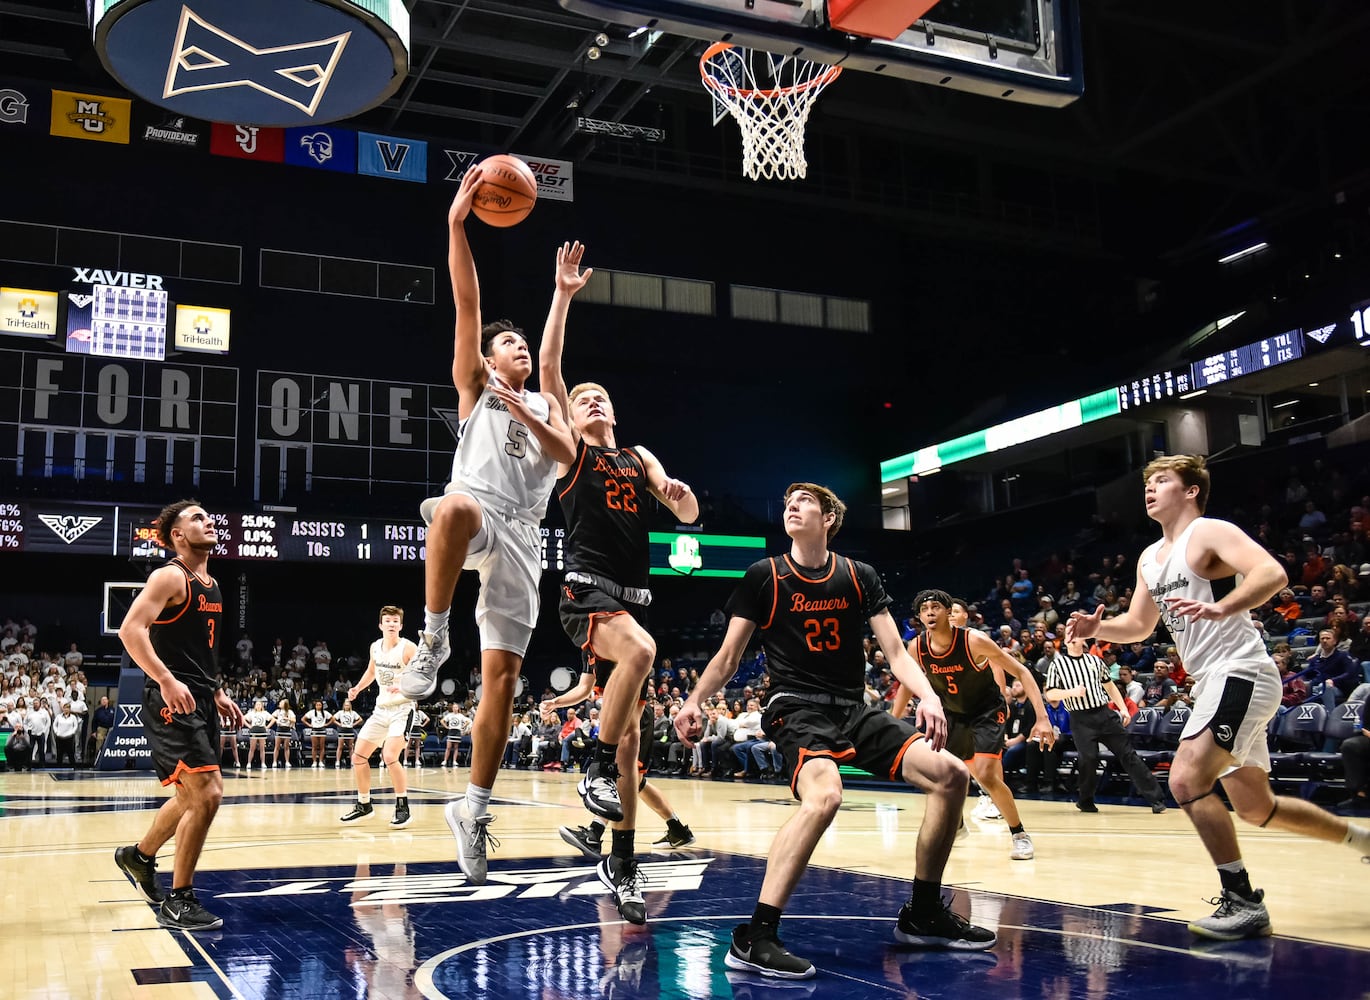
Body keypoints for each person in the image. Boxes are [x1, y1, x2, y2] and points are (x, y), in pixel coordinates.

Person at [676, 484, 994, 980]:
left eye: (802, 501)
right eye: (785, 503)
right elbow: (728, 657)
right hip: (794, 708)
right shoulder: (765, 576)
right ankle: (754, 935)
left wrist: (929, 697)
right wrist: (693, 701)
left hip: (852, 707)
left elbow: (896, 652)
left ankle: (924, 913)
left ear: (829, 518)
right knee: (824, 795)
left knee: (951, 774)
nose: (790, 507)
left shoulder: (857, 575)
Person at [1065, 454, 1370, 941]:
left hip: (1241, 672)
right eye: (1147, 482)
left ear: (1190, 491)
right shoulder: (1149, 557)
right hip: (1214, 681)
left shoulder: (1208, 531)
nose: (1149, 488)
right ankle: (1362, 837)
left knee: (1185, 779)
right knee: (1256, 808)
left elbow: (1271, 574)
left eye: (1161, 480)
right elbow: (1140, 625)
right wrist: (1097, 626)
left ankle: (1244, 902)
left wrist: (1222, 606)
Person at [412, 171, 577, 882]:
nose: (507, 351)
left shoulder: (545, 405)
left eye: (515, 347)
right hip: (478, 508)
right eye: (501, 346)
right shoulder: (476, 387)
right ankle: (434, 633)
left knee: (503, 682)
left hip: (524, 536)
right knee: (450, 505)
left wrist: (527, 407)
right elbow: (467, 304)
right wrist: (457, 227)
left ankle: (473, 810)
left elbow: (567, 456)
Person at [527, 233, 697, 917]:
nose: (592, 400)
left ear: (615, 413)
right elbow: (548, 365)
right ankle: (589, 763)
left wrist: (682, 500)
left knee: (631, 743)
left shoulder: (635, 455)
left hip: (632, 596)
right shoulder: (572, 454)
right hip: (585, 588)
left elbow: (678, 504)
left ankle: (621, 860)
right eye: (583, 396)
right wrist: (563, 297)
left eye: (601, 397)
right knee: (642, 655)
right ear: (570, 414)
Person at [114, 499, 245, 930]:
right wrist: (167, 680)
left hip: (202, 699)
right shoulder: (170, 575)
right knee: (207, 793)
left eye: (209, 516)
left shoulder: (213, 583)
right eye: (197, 519)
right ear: (177, 535)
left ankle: (138, 856)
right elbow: (130, 630)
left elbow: (200, 650)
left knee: (190, 795)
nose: (208, 522)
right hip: (171, 700)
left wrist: (219, 691)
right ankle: (180, 898)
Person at [892, 591, 1055, 860]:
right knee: (947, 774)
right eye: (924, 609)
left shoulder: (974, 641)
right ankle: (956, 825)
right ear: (919, 617)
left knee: (987, 774)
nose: (930, 612)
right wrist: (893, 719)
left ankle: (1019, 835)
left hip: (986, 711)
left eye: (936, 607)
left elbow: (1023, 672)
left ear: (948, 612)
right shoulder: (916, 648)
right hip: (952, 714)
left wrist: (1042, 717)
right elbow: (907, 685)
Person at [1043, 636, 1167, 813]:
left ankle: (1156, 799)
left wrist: (1123, 708)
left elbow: (1110, 686)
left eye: (1075, 637)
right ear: (1064, 643)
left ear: (1082, 641)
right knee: (1088, 759)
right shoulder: (1058, 664)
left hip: (1103, 713)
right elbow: (1051, 694)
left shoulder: (1095, 661)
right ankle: (1085, 800)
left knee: (1128, 754)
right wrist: (1072, 692)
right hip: (1080, 718)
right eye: (1068, 638)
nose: (1071, 640)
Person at [341, 606, 418, 829]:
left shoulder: (408, 648)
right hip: (381, 710)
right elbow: (372, 672)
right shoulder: (376, 646)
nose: (392, 624)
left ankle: (403, 807)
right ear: (381, 625)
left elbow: (424, 678)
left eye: (396, 621)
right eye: (388, 620)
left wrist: (404, 688)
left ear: (401, 626)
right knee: (358, 756)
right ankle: (364, 805)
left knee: (390, 755)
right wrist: (357, 688)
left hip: (403, 709)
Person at [440, 701, 472, 768]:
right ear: (452, 708)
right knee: (448, 747)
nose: (455, 708)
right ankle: (445, 760)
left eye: (456, 707)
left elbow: (468, 721)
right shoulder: (449, 715)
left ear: (458, 708)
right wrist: (446, 727)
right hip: (451, 731)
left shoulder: (460, 716)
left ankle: (454, 761)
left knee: (456, 747)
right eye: (454, 707)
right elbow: (442, 721)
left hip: (457, 732)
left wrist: (462, 727)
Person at [332, 700, 362, 769]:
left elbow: (360, 719)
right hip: (342, 730)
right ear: (343, 706)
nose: (347, 706)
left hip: (350, 730)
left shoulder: (353, 713)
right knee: (340, 747)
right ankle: (337, 761)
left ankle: (352, 761)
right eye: (345, 705)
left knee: (350, 747)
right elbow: (333, 719)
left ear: (350, 706)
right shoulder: (340, 712)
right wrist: (339, 724)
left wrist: (353, 724)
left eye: (348, 705)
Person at [303, 700, 332, 768]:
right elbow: (303, 719)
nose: (318, 706)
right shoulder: (312, 712)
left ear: (322, 706)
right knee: (314, 747)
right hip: (314, 730)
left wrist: (327, 724)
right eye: (317, 705)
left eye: (320, 705)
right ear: (315, 706)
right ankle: (314, 762)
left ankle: (321, 761)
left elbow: (332, 718)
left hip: (322, 730)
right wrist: (309, 725)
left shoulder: (325, 712)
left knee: (322, 747)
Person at [269, 697, 296, 768]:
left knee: (286, 747)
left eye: (281, 703)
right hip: (279, 729)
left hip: (287, 729)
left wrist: (288, 718)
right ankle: (274, 761)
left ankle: (287, 762)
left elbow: (294, 720)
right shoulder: (277, 711)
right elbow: (270, 717)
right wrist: (276, 720)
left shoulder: (290, 712)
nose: (279, 704)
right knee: (277, 747)